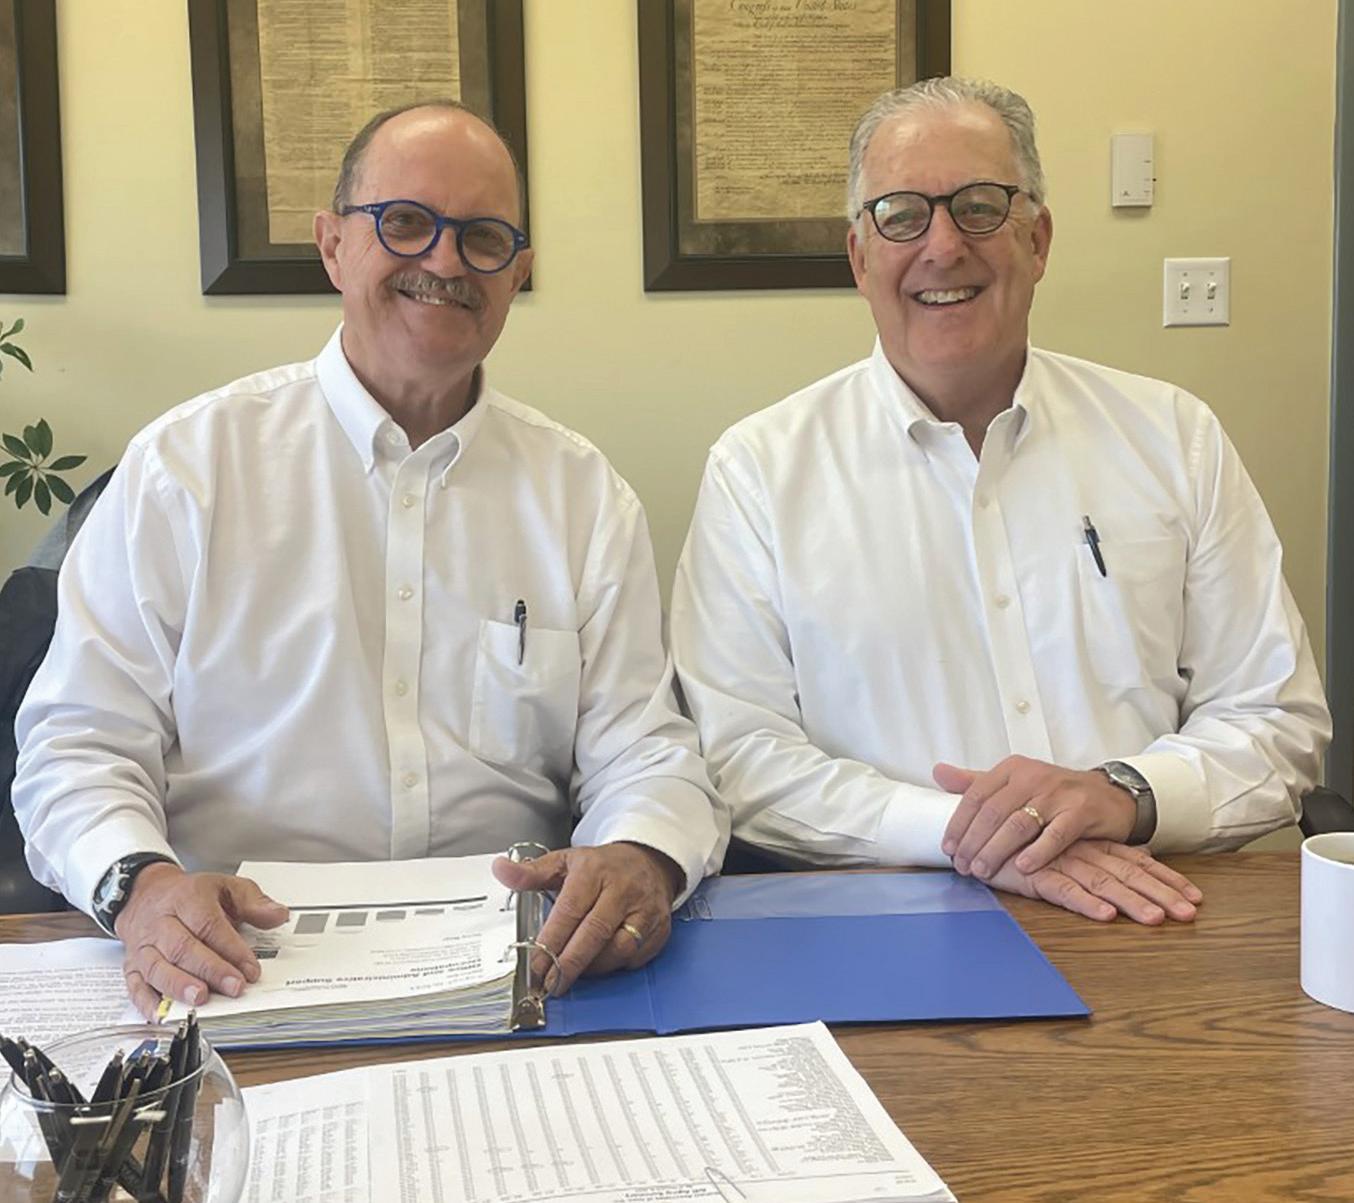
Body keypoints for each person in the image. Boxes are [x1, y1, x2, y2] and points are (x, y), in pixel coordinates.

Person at [13, 101, 727, 1016]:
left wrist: (637, 853)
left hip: (522, 974)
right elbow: (77, 743)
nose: (445, 261)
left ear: (517, 274)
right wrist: (143, 888)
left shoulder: (581, 495)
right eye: (406, 223)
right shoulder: (186, 470)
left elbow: (647, 748)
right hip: (234, 967)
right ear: (333, 245)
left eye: (482, 238)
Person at [670, 77, 1330, 923]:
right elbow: (739, 758)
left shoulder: (1174, 436)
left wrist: (1123, 793)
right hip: (889, 920)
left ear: (1038, 239)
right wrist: (970, 834)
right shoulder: (759, 471)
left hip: (1155, 908)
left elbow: (1276, 718)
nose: (943, 246)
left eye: (980, 207)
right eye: (902, 216)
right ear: (860, 257)